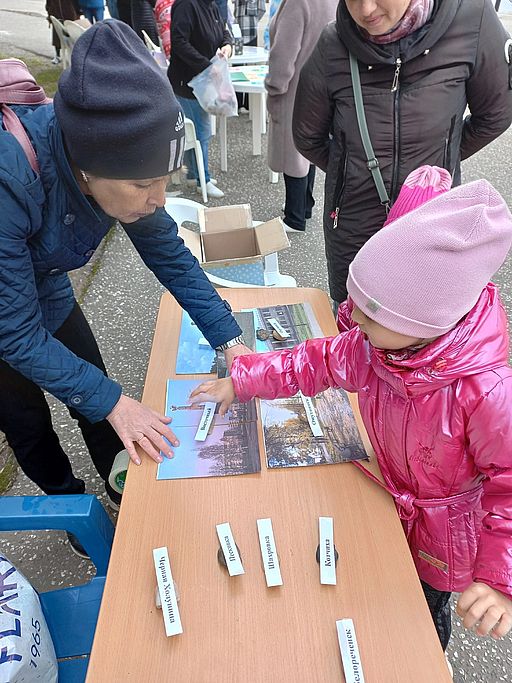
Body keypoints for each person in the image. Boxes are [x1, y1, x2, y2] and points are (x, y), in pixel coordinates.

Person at [189, 166, 512, 653]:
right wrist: (242, 378)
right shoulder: (376, 346)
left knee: (420, 617)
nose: (353, 318)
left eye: (369, 311)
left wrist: (499, 579)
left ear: (425, 322)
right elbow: (312, 361)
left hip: (449, 540)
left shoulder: (486, 392)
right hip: (391, 501)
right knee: (373, 590)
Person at [0, 20, 249, 555]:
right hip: (4, 311)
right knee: (27, 420)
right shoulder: (10, 178)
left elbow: (171, 257)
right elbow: (16, 334)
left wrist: (232, 342)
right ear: (85, 169)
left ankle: (123, 495)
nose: (157, 198)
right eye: (143, 185)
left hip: (44, 282)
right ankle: (75, 516)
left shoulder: (119, 165)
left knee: (93, 389)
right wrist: (116, 402)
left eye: (165, 178)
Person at [292, 0, 512, 306]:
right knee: (356, 326)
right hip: (356, 221)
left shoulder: (471, 19)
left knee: (424, 325)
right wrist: (352, 170)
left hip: (432, 220)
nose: (366, 10)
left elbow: (496, 114)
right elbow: (307, 136)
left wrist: (440, 158)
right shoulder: (333, 43)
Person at [265, 0, 337, 235]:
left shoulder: (298, 3)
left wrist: (274, 85)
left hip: (294, 89)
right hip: (323, 87)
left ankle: (294, 217)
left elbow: (284, 53)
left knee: (291, 152)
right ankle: (305, 206)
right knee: (309, 146)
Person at [168, 0, 232, 198]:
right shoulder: (186, 5)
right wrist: (206, 65)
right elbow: (179, 42)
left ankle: (194, 175)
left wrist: (227, 45)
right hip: (186, 81)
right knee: (200, 133)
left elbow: (223, 30)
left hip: (202, 79)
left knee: (195, 131)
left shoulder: (210, 4)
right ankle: (202, 181)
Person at [45, 0, 80, 64]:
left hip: (71, 15)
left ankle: (75, 56)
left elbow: (77, 3)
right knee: (56, 36)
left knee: (72, 37)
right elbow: (48, 3)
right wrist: (49, 12)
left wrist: (79, 13)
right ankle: (57, 56)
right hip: (56, 15)